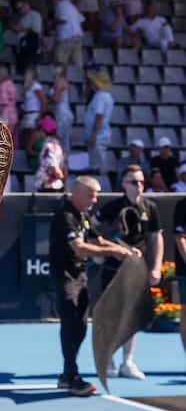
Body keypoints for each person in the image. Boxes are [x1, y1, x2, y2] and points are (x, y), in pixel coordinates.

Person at [49, 176, 137, 397]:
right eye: (91, 195)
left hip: (80, 274)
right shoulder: (65, 215)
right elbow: (79, 247)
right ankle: (71, 375)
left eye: (96, 195)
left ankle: (67, 374)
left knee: (80, 324)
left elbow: (98, 240)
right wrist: (115, 252)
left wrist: (124, 249)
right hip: (65, 275)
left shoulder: (82, 215)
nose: (95, 200)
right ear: (77, 193)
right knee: (71, 322)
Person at [94, 165, 162, 380]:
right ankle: (109, 360)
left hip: (137, 269)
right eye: (134, 182)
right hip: (113, 268)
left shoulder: (150, 207)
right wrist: (101, 250)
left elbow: (155, 238)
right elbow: (91, 227)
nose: (139, 186)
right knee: (111, 315)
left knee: (131, 316)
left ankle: (127, 362)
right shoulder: (112, 207)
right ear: (124, 185)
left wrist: (156, 266)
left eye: (142, 182)